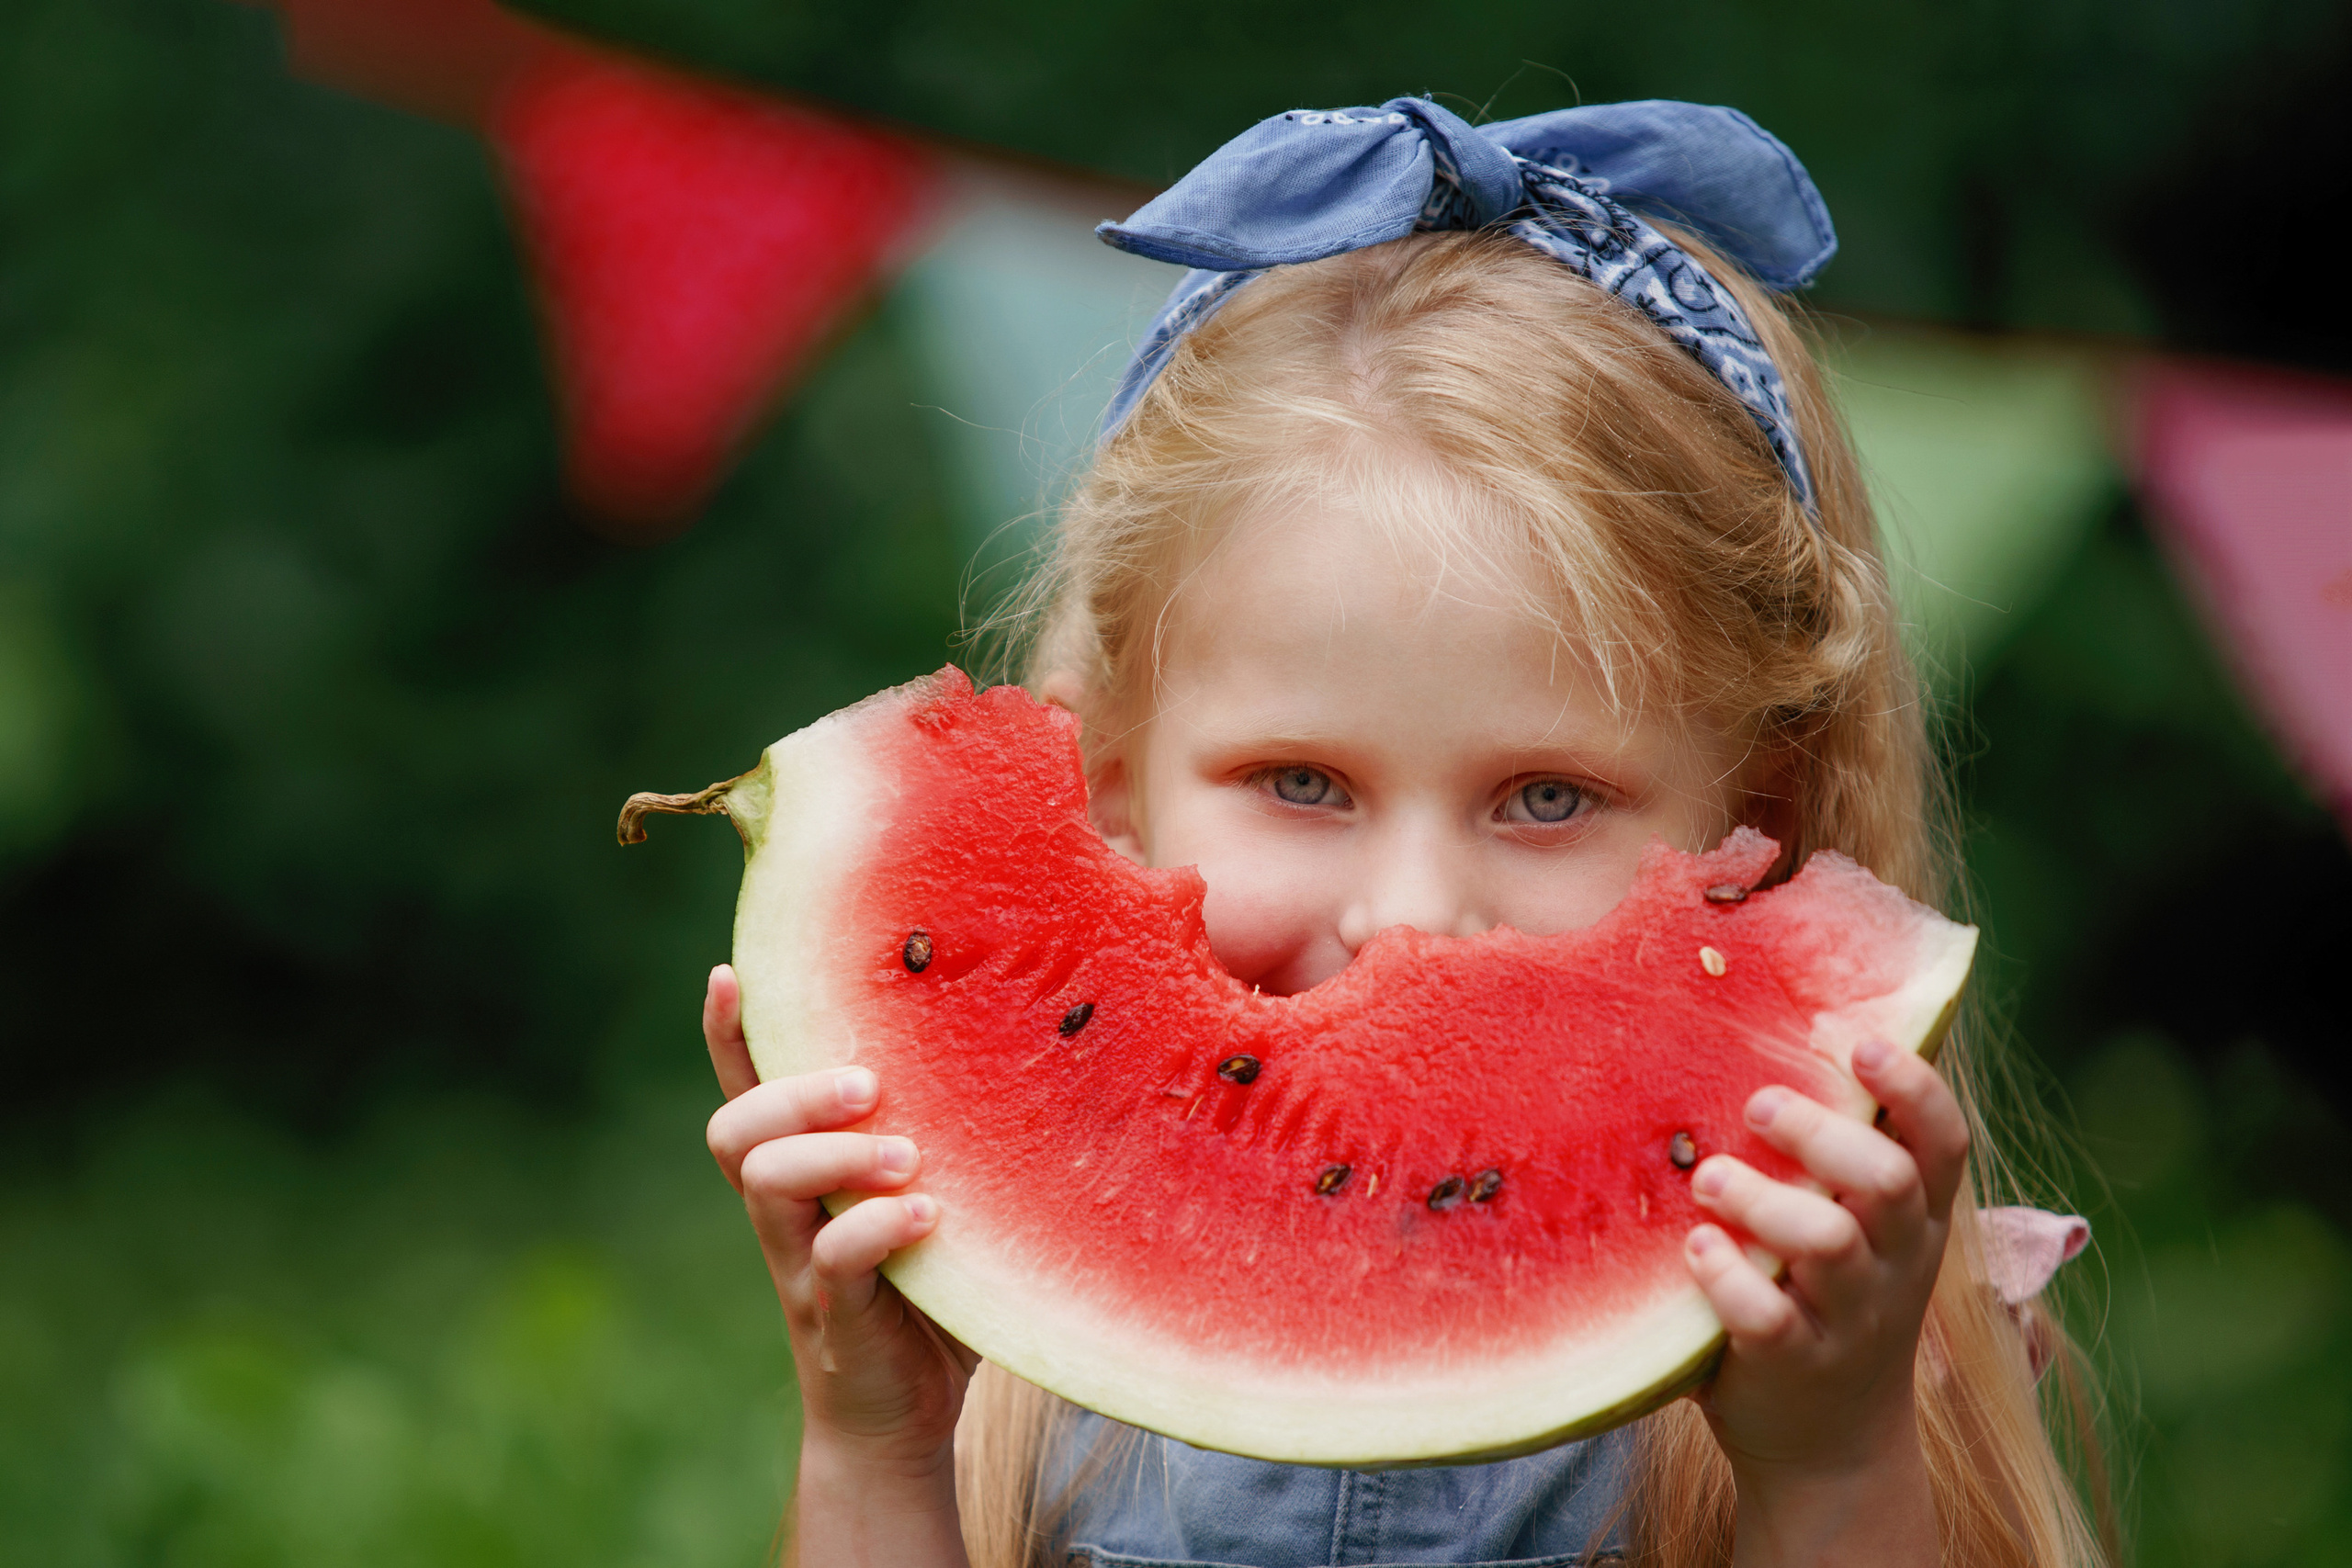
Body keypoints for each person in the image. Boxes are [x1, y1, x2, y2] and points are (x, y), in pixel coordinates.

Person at [697, 97, 2107, 1567]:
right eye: (1302, 783)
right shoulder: (1006, 1403)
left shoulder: (1868, 1346)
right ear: (1097, 777)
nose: (1414, 913)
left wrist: (1832, 1463)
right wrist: (877, 1442)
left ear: (1757, 824)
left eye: (1547, 798)